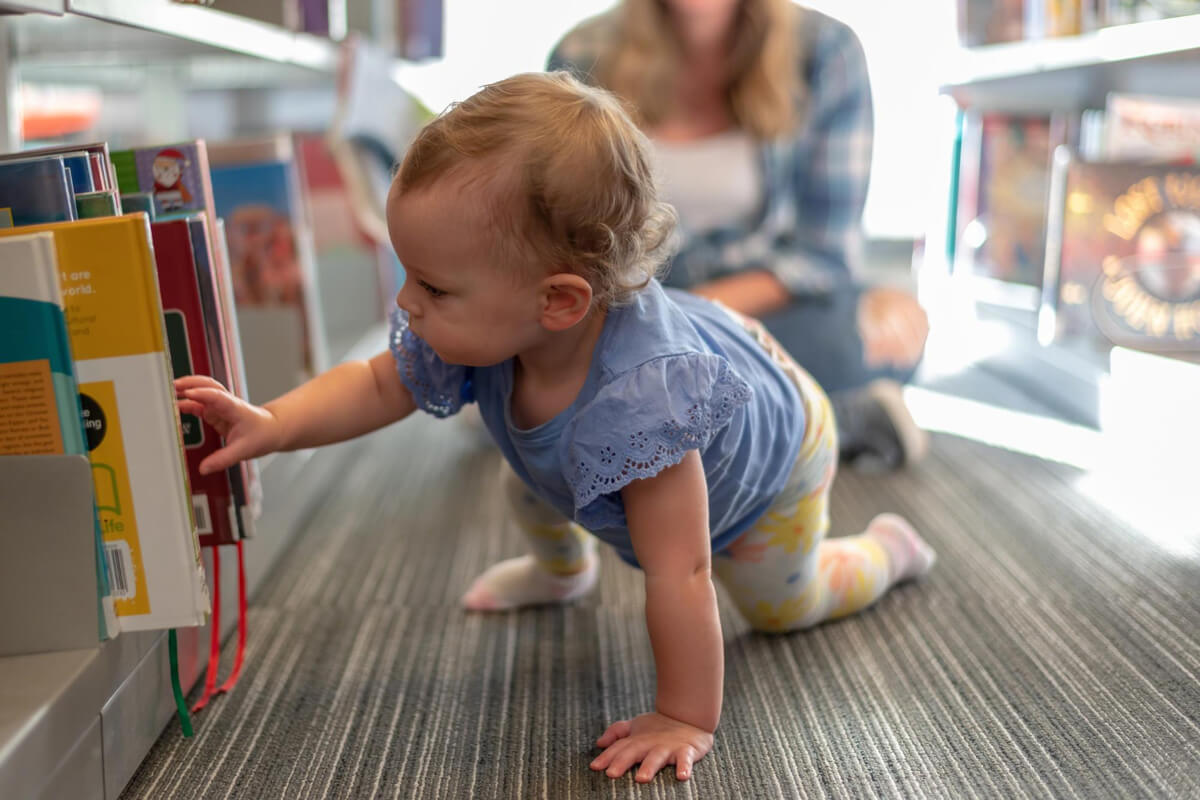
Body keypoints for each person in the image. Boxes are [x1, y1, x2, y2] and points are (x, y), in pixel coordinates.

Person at [176, 72, 935, 784]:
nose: (407, 303)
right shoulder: (506, 325)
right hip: (689, 352)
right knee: (536, 475)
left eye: (434, 286)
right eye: (410, 274)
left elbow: (683, 572)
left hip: (777, 461)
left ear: (561, 302)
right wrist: (272, 422)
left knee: (779, 605)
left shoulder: (644, 407)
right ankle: (564, 571)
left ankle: (886, 552)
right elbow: (380, 382)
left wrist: (682, 716)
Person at [549, 0, 930, 472]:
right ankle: (825, 423)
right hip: (626, 301)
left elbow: (823, 254)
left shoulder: (827, 51)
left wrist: (679, 321)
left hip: (756, 304)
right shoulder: (580, 54)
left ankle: (620, 423)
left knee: (873, 337)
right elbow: (563, 241)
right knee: (525, 340)